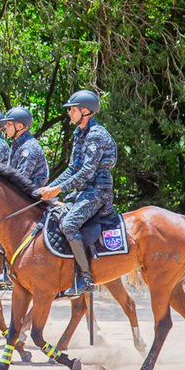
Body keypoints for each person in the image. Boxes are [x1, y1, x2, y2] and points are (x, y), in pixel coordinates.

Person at [36, 90, 117, 297]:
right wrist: (50, 188)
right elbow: (73, 168)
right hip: (83, 190)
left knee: (69, 223)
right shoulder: (79, 133)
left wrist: (59, 189)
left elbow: (87, 171)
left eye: (72, 109)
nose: (69, 113)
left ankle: (86, 278)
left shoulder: (96, 135)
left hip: (98, 191)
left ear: (85, 111)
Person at [0, 106, 48, 284]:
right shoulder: (17, 145)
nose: (5, 127)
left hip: (31, 196)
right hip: (20, 195)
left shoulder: (28, 148)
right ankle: (7, 268)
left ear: (20, 126)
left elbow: (21, 178)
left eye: (8, 124)